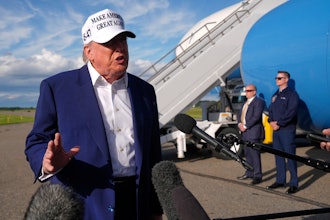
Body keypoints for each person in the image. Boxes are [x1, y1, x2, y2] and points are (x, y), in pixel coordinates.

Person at [25, 9, 163, 220]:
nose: (120, 48)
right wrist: (46, 163)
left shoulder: (144, 91)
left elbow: (153, 153)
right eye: (110, 43)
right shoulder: (57, 88)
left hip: (137, 202)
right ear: (88, 51)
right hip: (84, 203)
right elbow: (36, 140)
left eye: (123, 41)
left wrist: (155, 208)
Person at [266, 70, 299, 194]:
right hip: (276, 130)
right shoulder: (276, 95)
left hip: (286, 130)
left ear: (286, 80)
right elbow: (271, 110)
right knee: (278, 156)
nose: (277, 80)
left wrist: (279, 123)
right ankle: (280, 181)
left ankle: (294, 183)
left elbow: (291, 112)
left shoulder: (292, 94)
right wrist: (271, 121)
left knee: (290, 157)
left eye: (279, 78)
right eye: (276, 78)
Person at [237, 84, 265, 185]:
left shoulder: (259, 102)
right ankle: (249, 172)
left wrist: (246, 126)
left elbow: (256, 116)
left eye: (249, 90)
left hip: (253, 132)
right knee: (247, 154)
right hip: (245, 132)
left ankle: (258, 175)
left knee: (255, 155)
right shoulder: (245, 103)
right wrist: (239, 124)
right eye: (246, 91)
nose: (246, 92)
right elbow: (239, 115)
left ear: (254, 92)